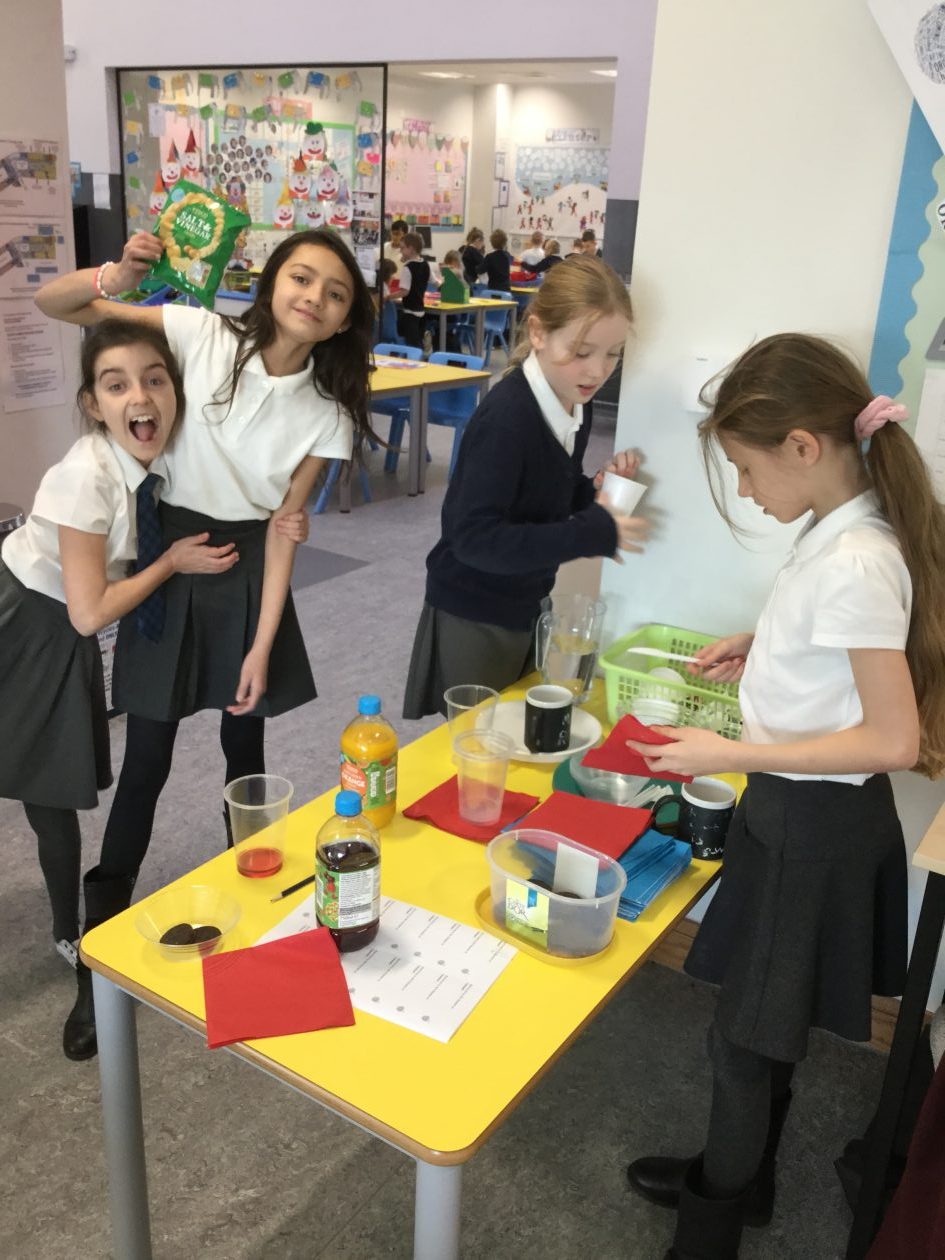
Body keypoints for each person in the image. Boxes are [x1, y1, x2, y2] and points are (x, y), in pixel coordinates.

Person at [624, 333, 945, 1260]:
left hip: (815, 825)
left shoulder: (857, 558)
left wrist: (732, 748)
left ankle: (711, 1228)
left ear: (802, 447)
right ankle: (746, 1177)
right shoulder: (842, 529)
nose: (744, 490)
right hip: (792, 815)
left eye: (744, 468)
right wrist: (757, 640)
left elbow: (891, 740)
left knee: (740, 1040)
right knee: (763, 1019)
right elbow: (832, 644)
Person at [35, 227, 377, 1054]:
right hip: (174, 551)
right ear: (272, 281)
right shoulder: (201, 333)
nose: (314, 297)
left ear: (344, 319)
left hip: (247, 568)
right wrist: (119, 273)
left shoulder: (328, 410)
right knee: (147, 762)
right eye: (302, 277)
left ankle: (254, 935)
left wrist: (262, 644)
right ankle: (97, 965)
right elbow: (58, 303)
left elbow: (285, 530)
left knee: (243, 753)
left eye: (334, 293)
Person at [0, 319, 240, 1059]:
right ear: (92, 403)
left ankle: (71, 930)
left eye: (155, 379)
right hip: (31, 618)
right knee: (44, 778)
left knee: (50, 781)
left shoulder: (158, 457)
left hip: (57, 624)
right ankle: (75, 937)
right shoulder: (86, 476)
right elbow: (89, 611)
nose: (140, 396)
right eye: (116, 384)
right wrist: (169, 564)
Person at [403, 257, 648, 717]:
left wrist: (588, 491)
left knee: (516, 726)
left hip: (524, 597)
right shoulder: (508, 418)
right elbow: (474, 539)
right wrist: (592, 532)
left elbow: (542, 493)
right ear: (537, 332)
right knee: (479, 737)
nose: (598, 370)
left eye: (613, 354)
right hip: (474, 609)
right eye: (582, 351)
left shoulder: (573, 400)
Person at [396, 231, 430, 350]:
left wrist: (388, 296)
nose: (400, 251)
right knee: (418, 343)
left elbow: (404, 292)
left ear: (411, 249)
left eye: (402, 248)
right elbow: (434, 281)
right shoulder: (425, 264)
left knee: (412, 345)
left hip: (410, 312)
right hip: (421, 311)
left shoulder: (408, 268)